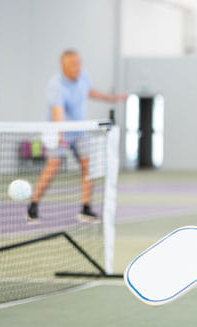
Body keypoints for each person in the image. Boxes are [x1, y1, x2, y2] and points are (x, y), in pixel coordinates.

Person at [27, 49, 127, 223]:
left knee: (88, 166)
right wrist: (61, 134)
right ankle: (33, 206)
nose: (78, 67)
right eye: (73, 64)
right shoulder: (56, 85)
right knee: (53, 167)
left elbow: (90, 92)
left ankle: (86, 209)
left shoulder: (83, 76)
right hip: (60, 131)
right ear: (64, 66)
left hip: (81, 131)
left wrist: (113, 98)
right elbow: (58, 112)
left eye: (79, 63)